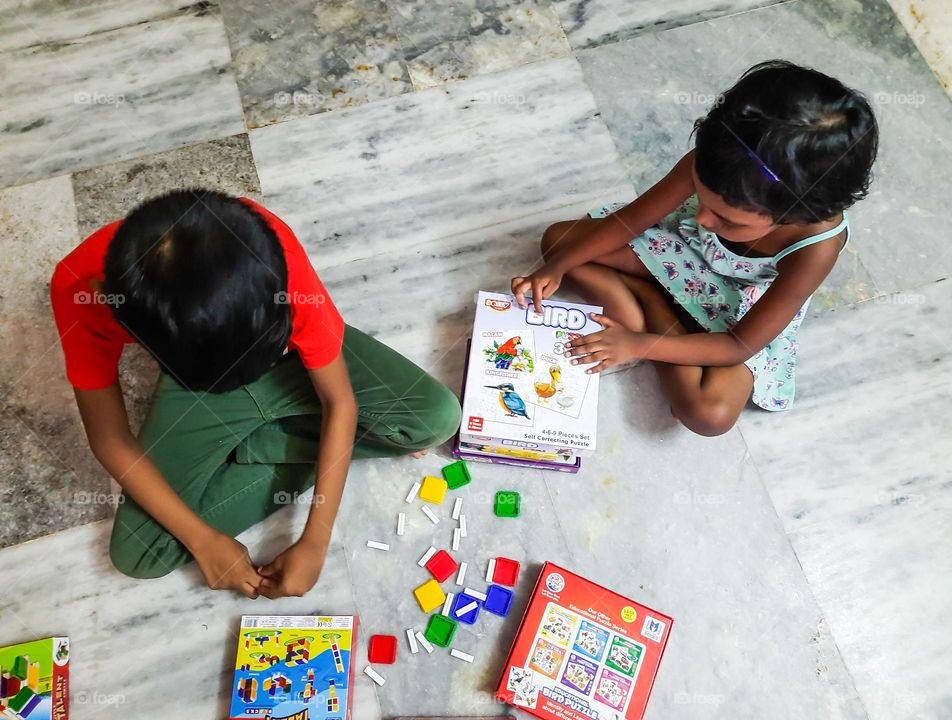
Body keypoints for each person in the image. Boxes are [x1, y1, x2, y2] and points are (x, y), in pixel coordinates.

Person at [51, 189, 460, 598]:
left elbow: (339, 400)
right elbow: (108, 436)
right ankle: (292, 440)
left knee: (437, 419)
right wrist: (201, 540)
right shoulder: (82, 289)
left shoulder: (266, 250)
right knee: (139, 555)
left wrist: (317, 537)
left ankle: (257, 442)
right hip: (200, 386)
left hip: (290, 362)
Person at [512, 60, 878, 435]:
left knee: (710, 415)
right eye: (700, 200)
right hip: (682, 255)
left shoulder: (815, 249)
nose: (702, 219)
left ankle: (649, 302)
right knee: (559, 242)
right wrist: (555, 267)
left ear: (793, 214)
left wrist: (638, 344)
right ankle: (651, 307)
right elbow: (628, 223)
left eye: (726, 220)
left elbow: (738, 345)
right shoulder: (719, 163)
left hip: (735, 308)